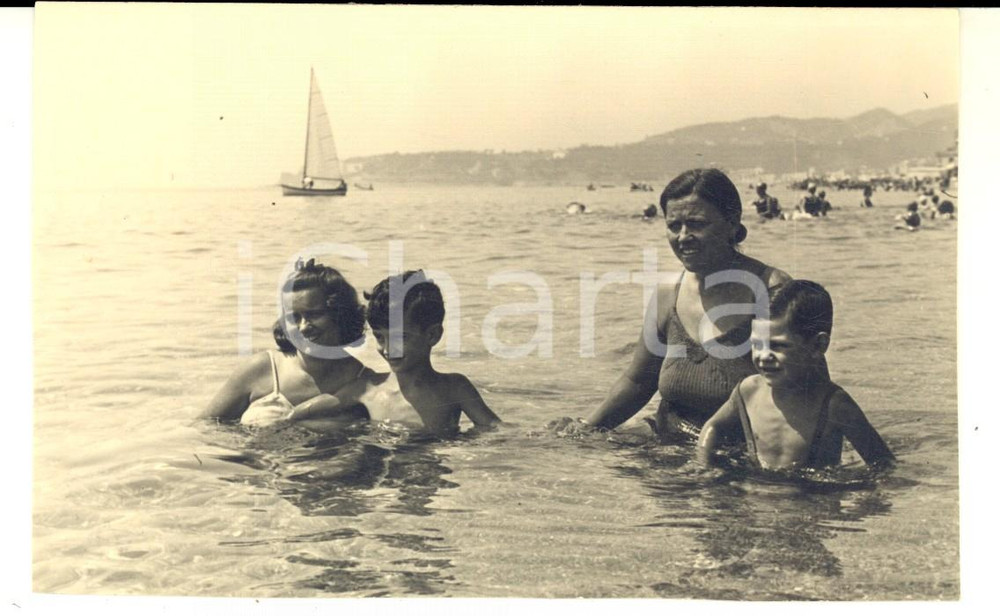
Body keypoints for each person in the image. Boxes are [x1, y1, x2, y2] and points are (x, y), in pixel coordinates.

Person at [558, 168, 791, 438]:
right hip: (667, 441)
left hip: (734, 454)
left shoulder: (771, 290)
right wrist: (586, 428)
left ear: (731, 222)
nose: (683, 237)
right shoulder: (669, 293)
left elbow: (809, 393)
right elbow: (638, 382)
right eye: (673, 226)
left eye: (697, 224)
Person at [696, 280, 894, 470]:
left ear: (818, 346)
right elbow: (713, 426)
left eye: (778, 345)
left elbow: (883, 463)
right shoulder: (749, 391)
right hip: (755, 498)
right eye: (757, 345)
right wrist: (704, 466)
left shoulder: (833, 405)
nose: (764, 356)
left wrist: (868, 501)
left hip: (812, 500)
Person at [200, 258, 377, 428]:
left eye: (314, 314)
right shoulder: (261, 369)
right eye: (294, 317)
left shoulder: (364, 382)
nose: (303, 327)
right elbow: (205, 427)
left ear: (340, 315)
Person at [363, 270, 501, 437]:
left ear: (432, 335)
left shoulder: (453, 388)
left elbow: (494, 428)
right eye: (379, 337)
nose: (387, 349)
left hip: (427, 461)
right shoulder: (370, 389)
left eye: (400, 338)